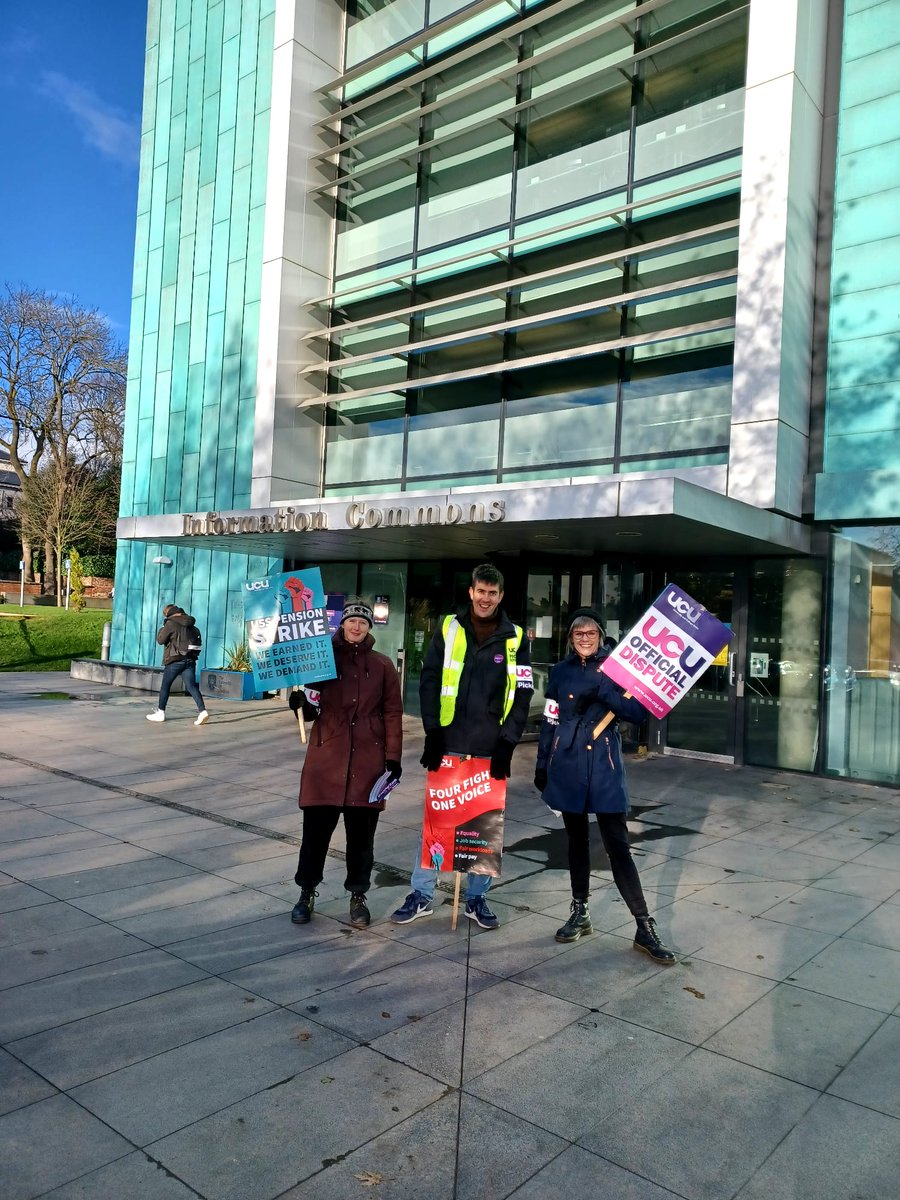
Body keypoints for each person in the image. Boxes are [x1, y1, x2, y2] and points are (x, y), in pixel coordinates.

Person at [392, 563, 533, 930]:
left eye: (493, 593)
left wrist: (508, 744)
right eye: (480, 591)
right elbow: (429, 679)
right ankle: (422, 894)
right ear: (471, 592)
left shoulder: (516, 637)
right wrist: (431, 731)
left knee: (484, 827)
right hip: (449, 742)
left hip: (490, 748)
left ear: (500, 596)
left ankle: (476, 898)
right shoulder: (447, 627)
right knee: (438, 822)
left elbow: (522, 694)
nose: (485, 598)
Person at [533, 607, 675, 963]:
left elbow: (639, 714)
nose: (584, 638)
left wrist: (602, 691)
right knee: (576, 841)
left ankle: (644, 925)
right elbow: (550, 720)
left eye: (590, 633)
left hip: (605, 766)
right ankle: (580, 912)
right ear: (570, 639)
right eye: (578, 633)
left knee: (618, 846)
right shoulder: (561, 673)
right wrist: (541, 764)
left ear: (599, 636)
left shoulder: (617, 670)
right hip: (568, 765)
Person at [290, 598, 403, 929]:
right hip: (326, 759)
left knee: (361, 839)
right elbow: (310, 709)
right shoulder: (320, 660)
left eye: (363, 622)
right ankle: (306, 892)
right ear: (342, 624)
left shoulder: (382, 666)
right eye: (352, 620)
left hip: (368, 763)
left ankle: (358, 894)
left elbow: (393, 713)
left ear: (370, 628)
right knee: (315, 835)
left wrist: (393, 758)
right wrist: (298, 704)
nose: (357, 626)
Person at [146, 603, 208, 725]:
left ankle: (160, 712)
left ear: (169, 614)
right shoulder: (191, 624)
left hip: (174, 660)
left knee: (165, 686)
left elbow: (160, 640)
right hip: (190, 660)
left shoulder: (171, 623)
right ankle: (202, 711)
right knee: (191, 686)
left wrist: (162, 628)